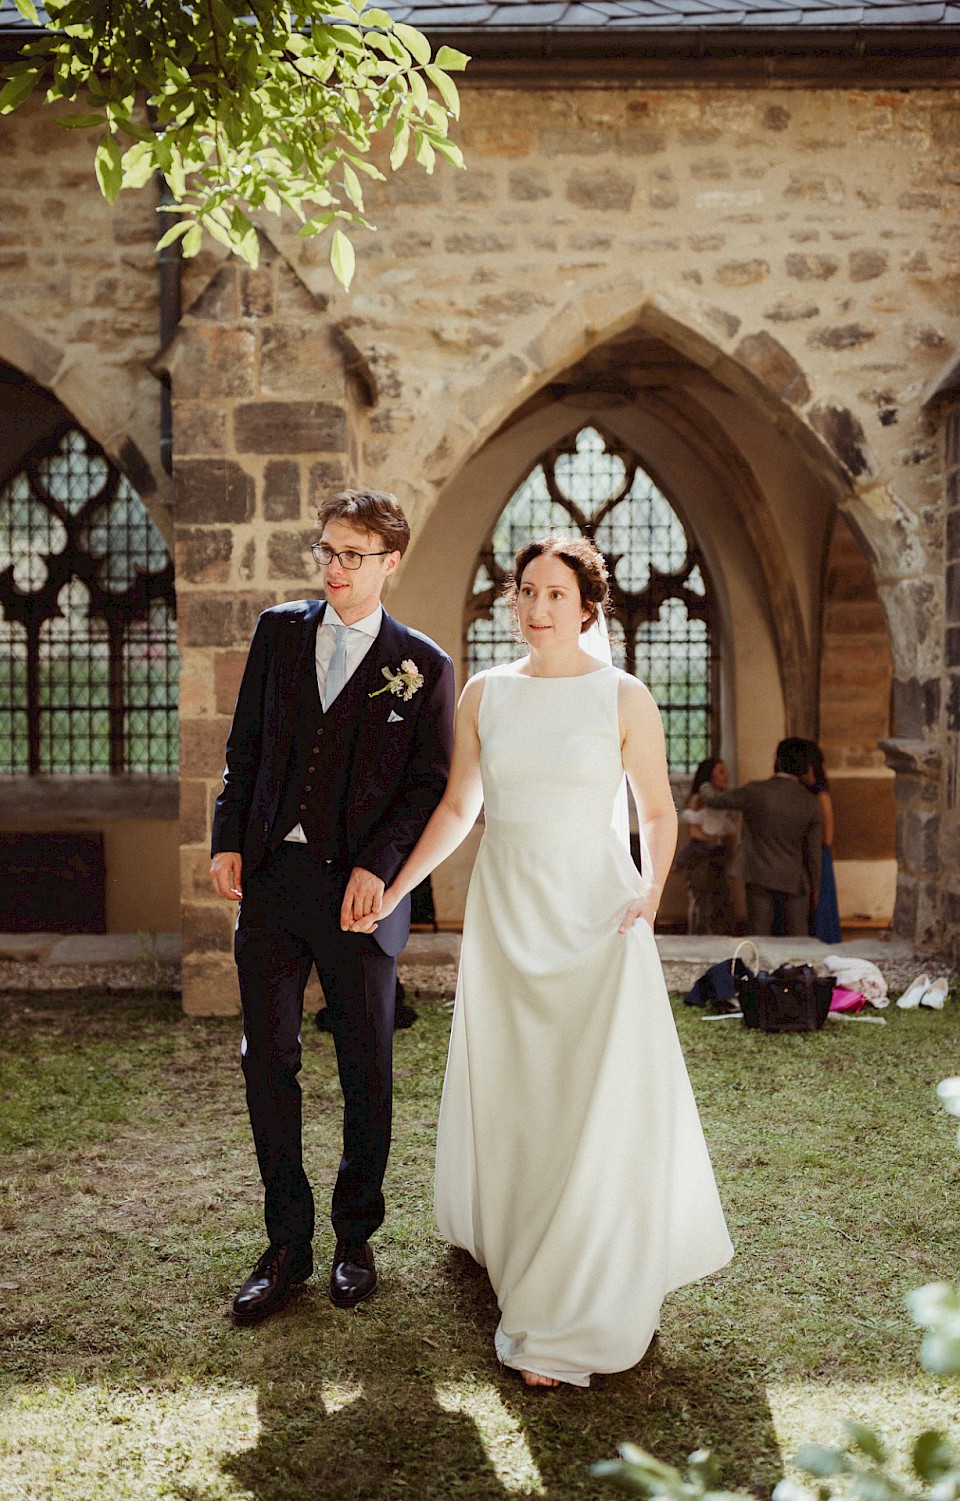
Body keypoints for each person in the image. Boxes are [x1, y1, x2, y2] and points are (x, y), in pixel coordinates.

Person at [349, 535, 733, 1389]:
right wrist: (398, 883)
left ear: (588, 605)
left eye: (556, 593)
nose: (538, 607)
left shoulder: (623, 695)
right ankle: (523, 1239)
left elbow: (660, 814)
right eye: (526, 591)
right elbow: (458, 806)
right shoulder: (485, 693)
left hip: (597, 915)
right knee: (520, 1086)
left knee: (589, 1091)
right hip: (508, 912)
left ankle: (575, 1287)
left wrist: (649, 894)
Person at [210, 488, 454, 1324]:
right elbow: (244, 746)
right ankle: (287, 1240)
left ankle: (356, 1234)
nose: (335, 568)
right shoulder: (279, 632)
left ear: (391, 562)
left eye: (354, 554)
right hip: (275, 883)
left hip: (361, 898)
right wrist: (227, 835)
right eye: (326, 550)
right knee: (266, 1056)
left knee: (365, 1065)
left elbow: (428, 786)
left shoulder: (422, 664)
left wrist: (381, 870)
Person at [699, 738, 822, 937]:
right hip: (795, 879)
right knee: (797, 940)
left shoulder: (755, 791)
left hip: (759, 875)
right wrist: (815, 886)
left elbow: (715, 800)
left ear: (779, 761)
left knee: (760, 937)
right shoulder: (811, 802)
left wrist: (704, 783)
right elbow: (813, 851)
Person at [677, 757, 739, 934]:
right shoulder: (698, 799)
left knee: (722, 902)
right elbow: (694, 832)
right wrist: (715, 839)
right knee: (701, 904)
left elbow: (731, 832)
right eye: (720, 771)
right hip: (701, 860)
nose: (725, 775)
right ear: (710, 776)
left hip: (720, 858)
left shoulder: (724, 800)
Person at [802, 740, 842, 944]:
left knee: (819, 911)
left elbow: (827, 837)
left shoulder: (821, 794)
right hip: (804, 856)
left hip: (818, 856)